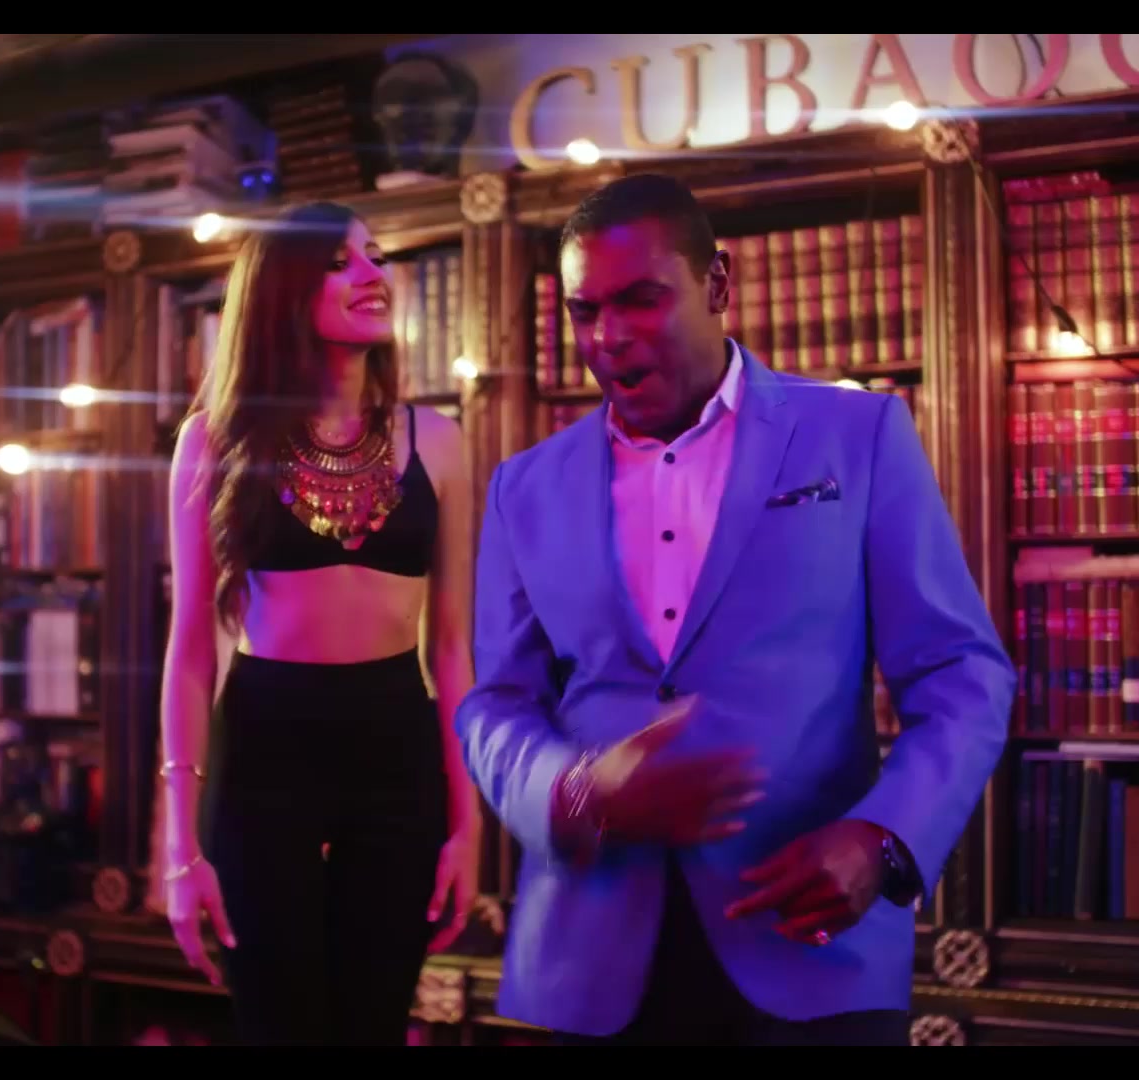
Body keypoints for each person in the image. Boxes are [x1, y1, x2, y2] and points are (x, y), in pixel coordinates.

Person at [454, 174, 1014, 1046]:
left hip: (811, 946)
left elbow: (960, 672)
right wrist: (569, 793)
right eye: (584, 311)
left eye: (641, 299)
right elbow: (497, 703)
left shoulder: (858, 436)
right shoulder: (521, 487)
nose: (608, 337)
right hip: (589, 963)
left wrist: (883, 838)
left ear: (718, 283)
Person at [158, 201, 483, 1045]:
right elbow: (189, 651)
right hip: (262, 750)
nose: (373, 275)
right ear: (282, 292)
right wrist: (178, 846)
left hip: (395, 746)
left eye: (375, 256)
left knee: (374, 1025)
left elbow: (452, 647)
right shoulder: (213, 440)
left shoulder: (438, 440)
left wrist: (468, 822)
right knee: (280, 1026)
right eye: (341, 262)